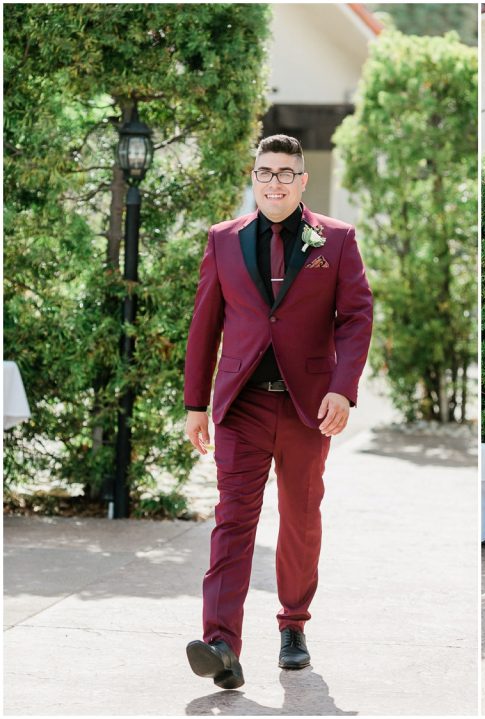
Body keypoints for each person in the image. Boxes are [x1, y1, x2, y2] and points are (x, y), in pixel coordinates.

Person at [182, 134, 373, 688]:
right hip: (240, 406)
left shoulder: (334, 240)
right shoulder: (223, 240)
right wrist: (196, 403)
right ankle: (221, 643)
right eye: (266, 172)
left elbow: (356, 316)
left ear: (302, 180)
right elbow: (205, 325)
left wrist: (342, 388)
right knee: (232, 521)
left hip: (307, 408)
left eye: (286, 173)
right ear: (254, 176)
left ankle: (293, 625)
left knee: (300, 517)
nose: (275, 182)